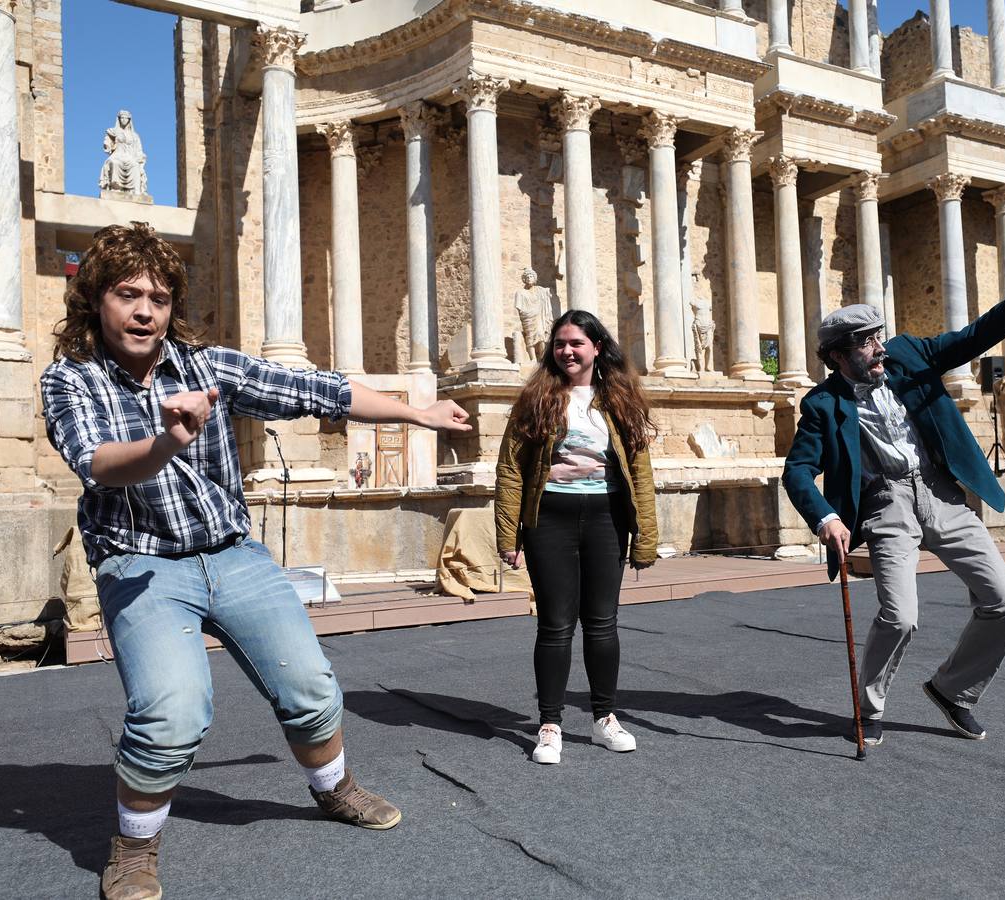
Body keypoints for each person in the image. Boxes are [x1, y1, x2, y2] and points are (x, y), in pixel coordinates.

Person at [40, 222, 471, 900]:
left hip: (231, 554)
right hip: (140, 565)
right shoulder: (71, 381)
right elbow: (98, 465)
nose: (145, 310)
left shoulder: (207, 367)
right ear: (97, 298)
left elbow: (315, 390)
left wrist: (419, 413)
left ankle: (335, 789)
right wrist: (165, 441)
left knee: (311, 687)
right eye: (128, 294)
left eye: (158, 296)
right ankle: (134, 848)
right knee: (171, 713)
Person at [782, 239, 1005, 748]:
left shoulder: (908, 354)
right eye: (866, 342)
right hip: (885, 504)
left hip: (941, 493)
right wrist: (826, 518)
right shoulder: (821, 404)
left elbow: (974, 337)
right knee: (900, 615)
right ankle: (871, 705)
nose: (879, 348)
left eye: (878, 337)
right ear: (839, 355)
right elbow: (797, 472)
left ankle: (953, 690)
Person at [494, 309, 658, 765]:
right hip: (551, 517)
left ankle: (605, 718)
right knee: (555, 624)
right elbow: (510, 469)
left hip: (607, 516)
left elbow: (639, 471)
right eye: (560, 343)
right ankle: (549, 725)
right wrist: (508, 534)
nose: (567, 351)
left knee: (603, 622)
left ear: (597, 348)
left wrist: (646, 537)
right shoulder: (536, 397)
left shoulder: (621, 397)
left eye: (576, 343)